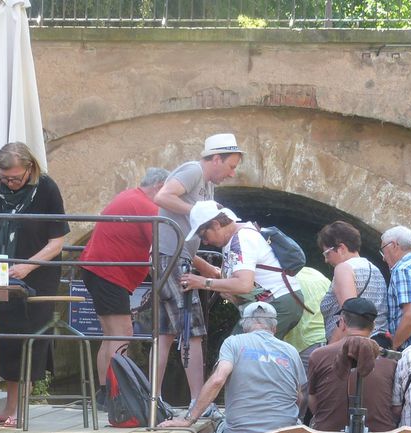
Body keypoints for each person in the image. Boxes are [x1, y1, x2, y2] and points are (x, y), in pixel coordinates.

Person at [0, 142, 69, 427]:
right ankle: (9, 407)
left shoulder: (46, 189)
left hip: (38, 273)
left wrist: (28, 266)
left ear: (30, 169)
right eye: (5, 178)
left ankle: (19, 408)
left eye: (16, 178)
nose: (10, 184)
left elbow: (57, 241)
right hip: (0, 269)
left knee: (30, 338)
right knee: (7, 337)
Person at [152, 132, 243, 404]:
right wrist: (196, 212)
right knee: (193, 330)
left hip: (173, 258)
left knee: (166, 334)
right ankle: (198, 402)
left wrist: (205, 267)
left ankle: (153, 399)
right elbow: (162, 196)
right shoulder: (192, 170)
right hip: (170, 259)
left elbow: (189, 235)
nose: (232, 174)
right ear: (216, 159)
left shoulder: (207, 186)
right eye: (231, 166)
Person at [159, 301, 306, 433]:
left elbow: (217, 380)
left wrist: (188, 420)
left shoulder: (233, 342)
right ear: (274, 328)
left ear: (244, 326)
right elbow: (299, 397)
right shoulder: (291, 351)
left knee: (217, 428)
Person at [78, 167, 169, 383]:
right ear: (160, 187)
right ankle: (119, 395)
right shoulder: (147, 206)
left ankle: (105, 392)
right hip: (109, 272)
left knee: (111, 335)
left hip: (98, 269)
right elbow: (164, 245)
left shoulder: (129, 196)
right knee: (122, 333)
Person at [179, 200, 303, 339]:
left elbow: (244, 284)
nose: (205, 242)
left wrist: (203, 282)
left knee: (237, 351)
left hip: (276, 304)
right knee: (243, 353)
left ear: (216, 224)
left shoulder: (242, 239)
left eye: (203, 235)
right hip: (278, 303)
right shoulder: (235, 238)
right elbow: (228, 278)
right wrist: (194, 260)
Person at [307, 297, 398, 433]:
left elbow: (313, 401)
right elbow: (394, 407)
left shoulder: (318, 355)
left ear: (342, 323)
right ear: (373, 326)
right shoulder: (390, 361)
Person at [315, 221, 388, 344]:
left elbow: (350, 316)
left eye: (327, 253)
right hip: (378, 342)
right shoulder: (376, 270)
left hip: (353, 347)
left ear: (341, 248)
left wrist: (330, 350)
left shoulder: (343, 268)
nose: (326, 260)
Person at [282, 266, 331, 376]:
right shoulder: (314, 273)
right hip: (329, 339)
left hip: (304, 343)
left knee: (303, 390)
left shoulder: (283, 278)